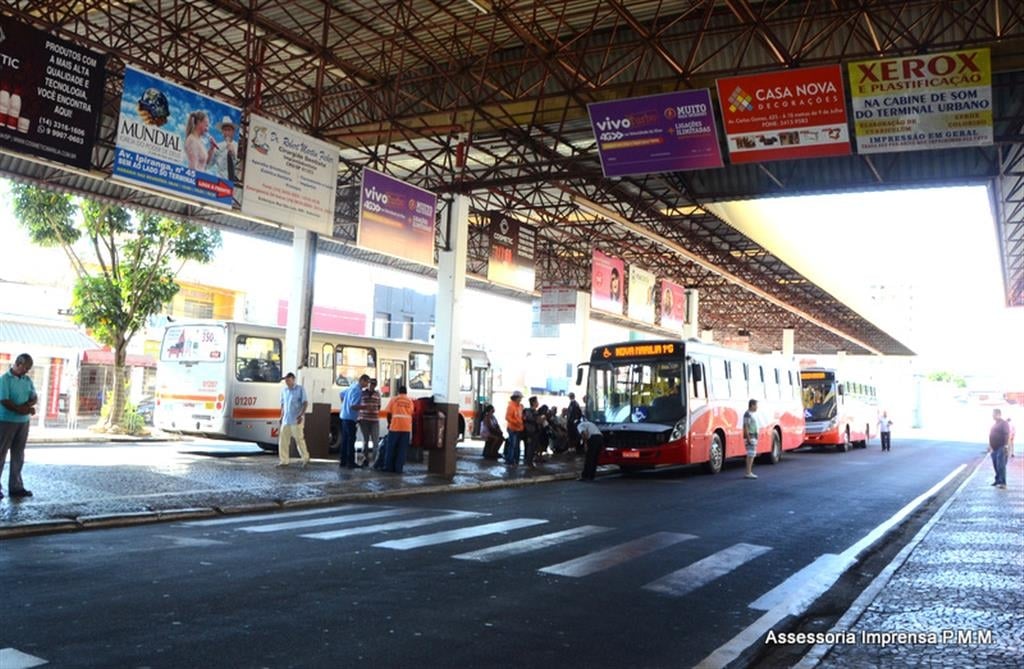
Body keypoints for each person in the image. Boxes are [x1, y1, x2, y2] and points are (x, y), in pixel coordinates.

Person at [0, 354, 38, 499]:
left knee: (18, 454)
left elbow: (34, 397)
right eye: (25, 367)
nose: (27, 371)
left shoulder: (27, 380)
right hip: (5, 421)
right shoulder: (4, 379)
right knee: (1, 453)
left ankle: (16, 487)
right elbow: (4, 400)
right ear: (18, 363)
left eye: (29, 368)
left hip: (23, 422)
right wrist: (20, 409)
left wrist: (27, 406)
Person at [277, 372, 310, 467]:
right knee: (283, 441)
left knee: (299, 440)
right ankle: (284, 461)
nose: (286, 382)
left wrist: (301, 415)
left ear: (293, 379)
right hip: (286, 420)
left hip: (296, 419)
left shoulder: (300, 389)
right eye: (286, 380)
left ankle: (305, 458)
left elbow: (305, 403)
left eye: (288, 380)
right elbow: (283, 405)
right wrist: (281, 416)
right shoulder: (284, 391)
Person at [339, 374, 370, 468]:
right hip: (350, 419)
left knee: (344, 440)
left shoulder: (352, 386)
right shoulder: (358, 391)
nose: (367, 385)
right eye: (367, 382)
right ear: (362, 380)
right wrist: (364, 407)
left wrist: (344, 406)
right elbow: (353, 406)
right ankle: (350, 462)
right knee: (351, 440)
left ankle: (343, 461)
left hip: (344, 416)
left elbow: (341, 394)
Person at [383, 385, 414, 473]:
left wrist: (389, 424)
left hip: (395, 427)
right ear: (406, 392)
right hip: (406, 428)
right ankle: (398, 469)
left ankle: (388, 467)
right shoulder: (410, 401)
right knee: (402, 449)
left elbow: (388, 413)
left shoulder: (394, 399)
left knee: (391, 448)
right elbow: (412, 412)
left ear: (398, 392)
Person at [357, 378, 381, 467]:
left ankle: (374, 461)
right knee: (365, 441)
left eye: (374, 384)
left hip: (374, 420)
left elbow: (378, 406)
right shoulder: (363, 393)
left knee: (375, 442)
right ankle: (365, 460)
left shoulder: (377, 394)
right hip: (364, 420)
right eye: (371, 384)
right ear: (369, 384)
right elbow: (358, 404)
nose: (372, 386)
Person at [209, 116, 238, 181]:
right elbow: (208, 165)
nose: (227, 132)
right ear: (222, 132)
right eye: (225, 130)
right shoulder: (218, 146)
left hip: (232, 181)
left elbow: (239, 164)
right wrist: (211, 149)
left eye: (229, 130)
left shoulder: (236, 146)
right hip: (219, 180)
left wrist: (233, 151)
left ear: (233, 132)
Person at [988, 409, 1010, 489]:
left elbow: (1006, 434)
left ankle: (1003, 483)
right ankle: (997, 480)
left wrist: (1006, 446)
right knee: (996, 465)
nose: (992, 416)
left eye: (994, 414)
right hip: (994, 448)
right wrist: (990, 446)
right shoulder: (995, 424)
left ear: (998, 414)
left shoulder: (1004, 423)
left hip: (1001, 447)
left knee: (1001, 465)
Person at [578, 417, 604, 481]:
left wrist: (585, 444)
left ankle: (585, 476)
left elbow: (584, 434)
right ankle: (591, 476)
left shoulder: (579, 425)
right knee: (594, 458)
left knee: (589, 458)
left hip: (593, 439)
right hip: (600, 438)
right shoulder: (590, 423)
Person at [504, 391, 524, 466]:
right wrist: (517, 422)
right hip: (512, 428)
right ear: (516, 398)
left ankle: (515, 459)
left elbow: (520, 416)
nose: (520, 399)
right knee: (513, 445)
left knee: (516, 445)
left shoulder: (520, 406)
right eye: (520, 398)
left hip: (518, 429)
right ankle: (510, 460)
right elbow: (507, 417)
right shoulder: (511, 406)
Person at [743, 399, 759, 480]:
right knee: (751, 454)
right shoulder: (747, 414)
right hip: (751, 436)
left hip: (753, 436)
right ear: (752, 405)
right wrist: (748, 438)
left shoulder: (751, 414)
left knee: (752, 454)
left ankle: (749, 472)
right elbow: (745, 426)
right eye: (756, 405)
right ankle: (748, 472)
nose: (757, 407)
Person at [523, 396, 541, 468]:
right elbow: (533, 420)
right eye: (537, 402)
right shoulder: (529, 411)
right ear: (533, 403)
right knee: (531, 447)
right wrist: (540, 419)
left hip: (535, 431)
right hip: (531, 432)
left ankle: (530, 461)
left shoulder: (534, 411)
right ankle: (529, 462)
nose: (538, 403)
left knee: (533, 447)